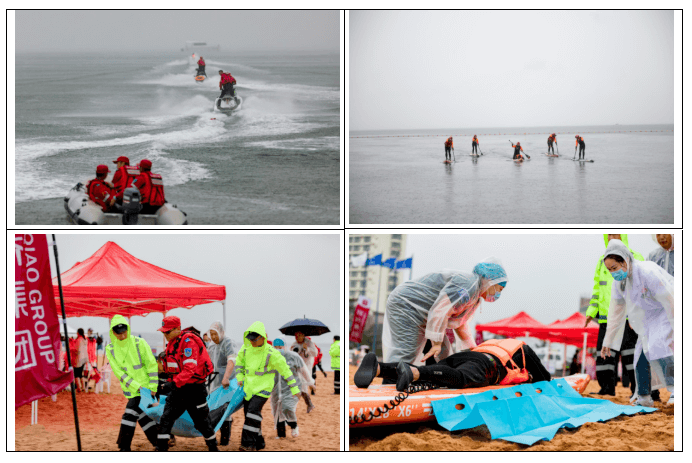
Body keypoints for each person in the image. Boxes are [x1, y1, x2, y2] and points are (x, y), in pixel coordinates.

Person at [370, 258, 507, 388]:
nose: (497, 295)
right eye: (499, 289)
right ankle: (389, 387)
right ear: (490, 281)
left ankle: (431, 382)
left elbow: (459, 322)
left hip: (426, 315)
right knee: (406, 354)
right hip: (407, 306)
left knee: (445, 356)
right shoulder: (468, 285)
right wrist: (435, 342)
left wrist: (471, 349)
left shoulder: (475, 296)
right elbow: (441, 309)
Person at [600, 239, 674, 406]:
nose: (613, 273)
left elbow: (670, 298)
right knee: (640, 353)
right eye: (609, 270)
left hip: (665, 311)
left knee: (659, 345)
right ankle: (644, 397)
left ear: (625, 260)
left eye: (614, 268)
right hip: (648, 318)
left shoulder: (647, 272)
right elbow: (616, 313)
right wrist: (608, 341)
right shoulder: (620, 283)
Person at [356, 338, 549, 393]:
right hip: (487, 364)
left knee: (445, 370)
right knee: (460, 379)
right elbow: (544, 379)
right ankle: (414, 373)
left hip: (465, 355)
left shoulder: (498, 341)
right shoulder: (524, 348)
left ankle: (379, 368)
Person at [585, 235, 645, 397]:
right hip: (606, 317)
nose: (612, 237)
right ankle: (606, 389)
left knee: (631, 355)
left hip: (628, 318)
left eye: (615, 233)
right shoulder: (602, 261)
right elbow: (597, 288)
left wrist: (638, 314)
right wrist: (591, 312)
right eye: (608, 234)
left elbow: (641, 288)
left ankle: (639, 390)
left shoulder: (635, 256)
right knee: (605, 358)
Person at [156, 316, 218, 451]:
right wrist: (165, 384)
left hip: (194, 390)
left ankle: (214, 448)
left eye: (167, 331)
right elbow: (173, 370)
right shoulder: (172, 344)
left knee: (202, 424)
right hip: (178, 389)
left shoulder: (189, 343)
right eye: (163, 332)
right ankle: (161, 448)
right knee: (165, 419)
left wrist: (172, 385)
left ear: (178, 329)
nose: (165, 335)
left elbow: (189, 370)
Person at [236, 322, 300, 451]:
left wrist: (294, 388)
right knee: (249, 414)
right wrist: (240, 378)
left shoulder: (272, 353)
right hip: (248, 388)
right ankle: (259, 442)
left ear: (263, 337)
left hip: (264, 389)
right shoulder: (245, 349)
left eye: (254, 339)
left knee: (252, 413)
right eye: (250, 339)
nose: (252, 342)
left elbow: (286, 371)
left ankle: (248, 444)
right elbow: (239, 364)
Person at [105, 315, 160, 451]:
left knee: (129, 414)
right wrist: (136, 385)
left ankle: (124, 446)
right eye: (119, 333)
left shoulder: (139, 342)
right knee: (142, 416)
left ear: (128, 329)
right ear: (113, 333)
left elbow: (151, 364)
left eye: (124, 332)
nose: (122, 335)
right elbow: (119, 372)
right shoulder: (110, 348)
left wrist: (153, 386)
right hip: (133, 389)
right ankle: (159, 442)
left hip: (146, 389)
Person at [270, 338, 312, 438]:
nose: (278, 349)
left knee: (287, 407)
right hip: (276, 388)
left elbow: (303, 370)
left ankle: (294, 426)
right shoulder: (271, 357)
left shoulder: (293, 356)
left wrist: (310, 382)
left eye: (280, 347)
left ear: (285, 346)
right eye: (275, 347)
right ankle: (281, 434)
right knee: (277, 411)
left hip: (291, 388)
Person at [207, 321, 239, 446]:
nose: (214, 337)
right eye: (212, 334)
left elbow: (232, 360)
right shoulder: (211, 345)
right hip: (213, 382)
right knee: (214, 408)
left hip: (226, 382)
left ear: (221, 332)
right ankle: (217, 435)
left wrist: (226, 378)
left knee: (224, 410)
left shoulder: (228, 342)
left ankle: (225, 439)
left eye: (216, 334)